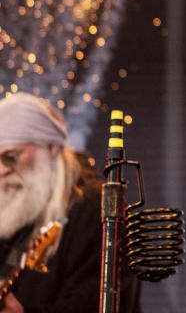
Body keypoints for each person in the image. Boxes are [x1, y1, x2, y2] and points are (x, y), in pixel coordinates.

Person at [0, 92, 140, 313]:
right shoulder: (16, 209)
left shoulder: (97, 210)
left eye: (11, 157)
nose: (2, 170)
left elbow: (103, 305)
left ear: (51, 148)